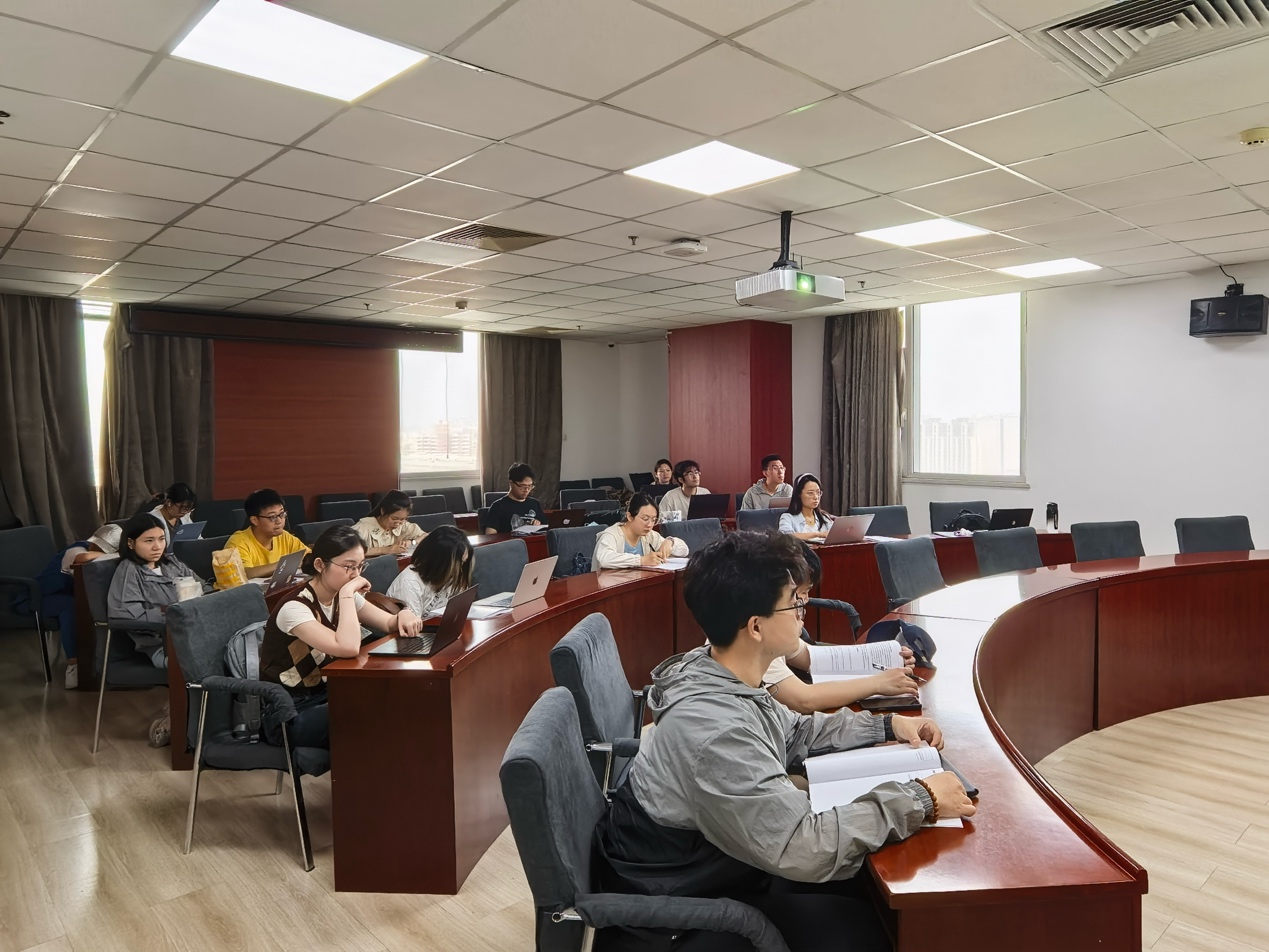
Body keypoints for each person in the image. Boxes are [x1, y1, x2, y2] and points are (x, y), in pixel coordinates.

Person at [596, 532, 974, 952]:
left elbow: (794, 731)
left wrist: (886, 727)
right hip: (683, 909)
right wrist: (921, 798)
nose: (801, 613)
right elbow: (803, 846)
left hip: (722, 863)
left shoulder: (720, 670)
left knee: (868, 888)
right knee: (875, 927)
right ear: (755, 627)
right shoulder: (716, 730)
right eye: (794, 602)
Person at [259, 525, 423, 750]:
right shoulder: (295, 607)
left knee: (393, 697)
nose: (356, 575)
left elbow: (388, 623)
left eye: (360, 566)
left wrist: (404, 614)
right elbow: (347, 647)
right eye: (348, 567)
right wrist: (347, 593)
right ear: (320, 565)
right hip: (290, 712)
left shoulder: (342, 596)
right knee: (372, 711)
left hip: (328, 695)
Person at [766, 544, 918, 714]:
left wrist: (888, 657)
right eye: (796, 599)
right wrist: (877, 683)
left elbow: (812, 657)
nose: (805, 602)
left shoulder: (776, 631)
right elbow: (803, 700)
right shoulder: (761, 640)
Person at [109, 513, 206, 748]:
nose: (157, 547)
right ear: (131, 543)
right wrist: (172, 614)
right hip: (160, 643)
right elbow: (125, 613)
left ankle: (214, 724)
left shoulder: (172, 563)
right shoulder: (129, 570)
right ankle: (177, 721)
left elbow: (203, 586)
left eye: (161, 539)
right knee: (204, 663)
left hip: (195, 635)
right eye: (149, 540)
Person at [30, 523, 122, 689]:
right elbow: (83, 558)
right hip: (39, 597)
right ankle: (74, 664)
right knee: (72, 608)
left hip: (66, 595)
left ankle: (103, 661)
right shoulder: (75, 550)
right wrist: (119, 554)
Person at [386, 525, 473, 618]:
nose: (460, 569)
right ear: (439, 562)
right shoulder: (409, 583)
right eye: (459, 563)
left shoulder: (452, 575)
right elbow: (412, 625)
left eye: (463, 562)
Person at [225, 488, 308, 579]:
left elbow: (308, 556)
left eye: (282, 514)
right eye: (272, 517)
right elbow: (244, 573)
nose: (279, 521)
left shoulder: (284, 536)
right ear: (254, 520)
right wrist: (284, 564)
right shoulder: (238, 542)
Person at [593, 494, 689, 569]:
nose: (650, 525)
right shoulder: (611, 535)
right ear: (630, 517)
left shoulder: (650, 536)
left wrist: (670, 542)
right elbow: (604, 559)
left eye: (653, 520)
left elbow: (685, 551)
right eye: (645, 519)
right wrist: (641, 560)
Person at [354, 490, 425, 557]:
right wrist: (385, 550)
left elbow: (426, 536)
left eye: (403, 519)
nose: (398, 523)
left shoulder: (403, 525)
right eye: (394, 519)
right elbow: (350, 549)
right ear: (383, 511)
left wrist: (412, 542)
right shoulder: (364, 526)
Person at [485, 462, 544, 534]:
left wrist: (538, 524)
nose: (526, 490)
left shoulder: (535, 504)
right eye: (522, 486)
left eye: (530, 486)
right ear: (511, 483)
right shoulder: (498, 507)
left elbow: (545, 528)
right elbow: (490, 535)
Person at [779, 474, 834, 541]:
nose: (816, 497)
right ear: (799, 494)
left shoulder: (824, 517)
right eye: (810, 493)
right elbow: (786, 536)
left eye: (818, 492)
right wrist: (817, 534)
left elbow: (835, 535)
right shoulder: (788, 517)